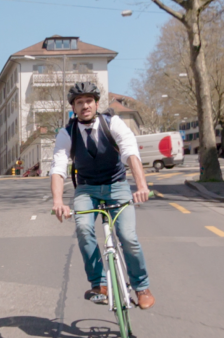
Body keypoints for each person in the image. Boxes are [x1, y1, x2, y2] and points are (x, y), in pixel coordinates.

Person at [50, 82, 155, 310]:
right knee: (84, 229)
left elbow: (130, 152)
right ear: (73, 108)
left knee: (127, 236)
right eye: (79, 102)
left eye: (89, 101)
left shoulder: (112, 123)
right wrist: (58, 202)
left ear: (97, 104)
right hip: (86, 189)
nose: (85, 105)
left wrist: (141, 186)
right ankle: (99, 284)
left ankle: (141, 286)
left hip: (116, 185)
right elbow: (58, 168)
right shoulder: (66, 134)